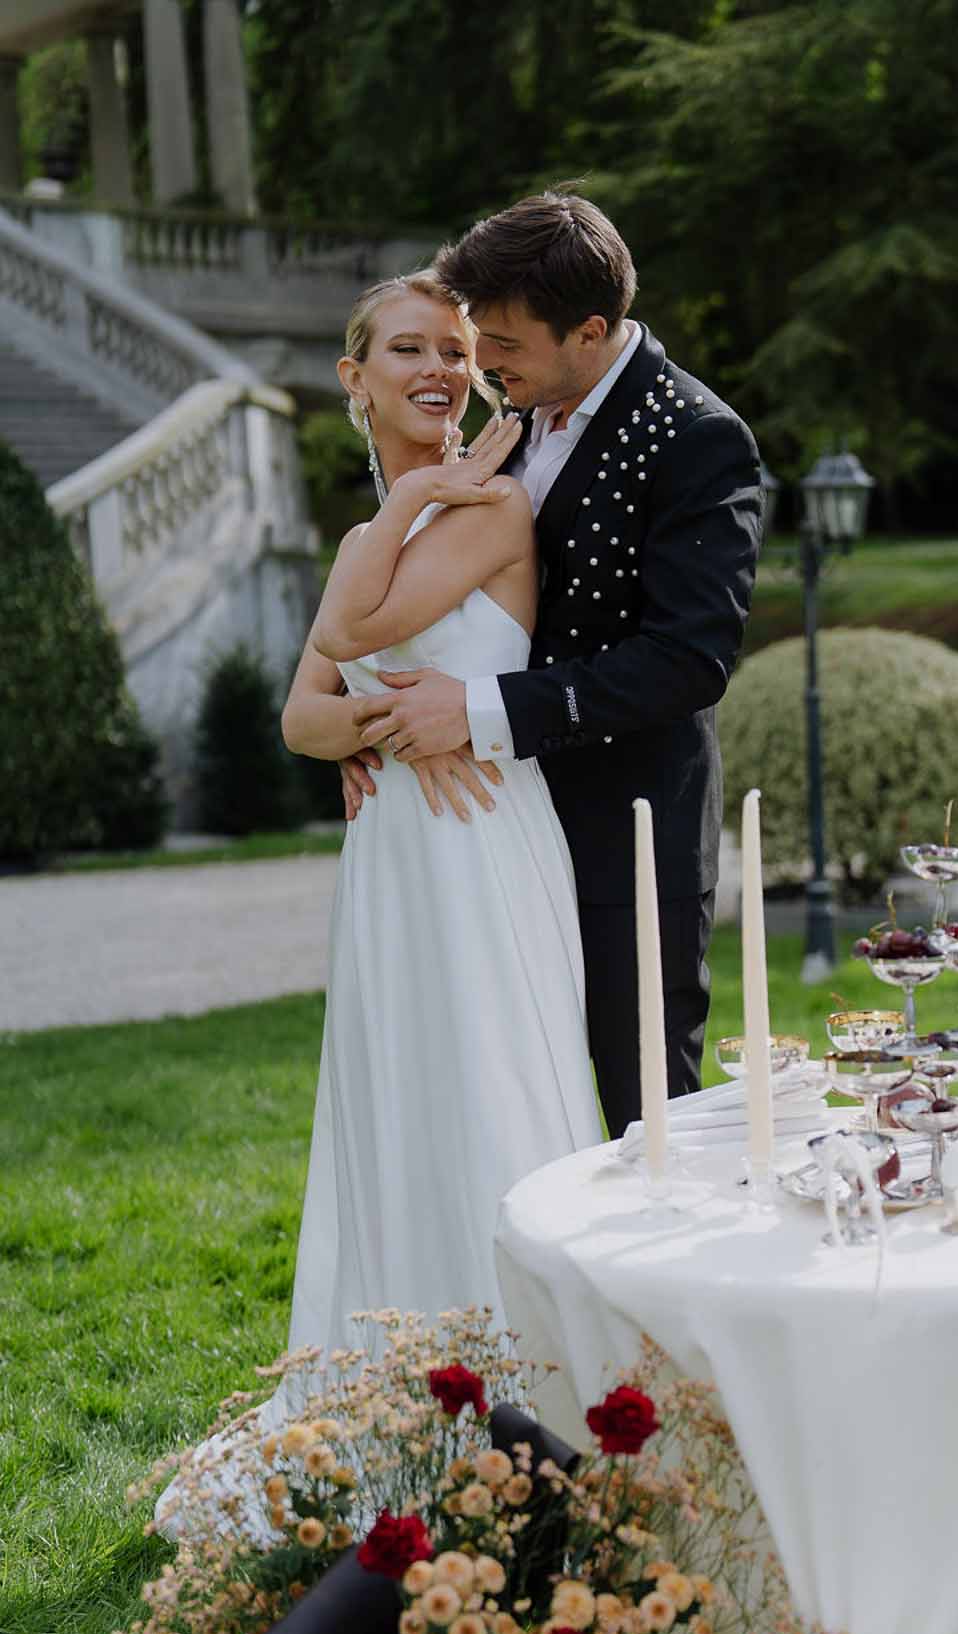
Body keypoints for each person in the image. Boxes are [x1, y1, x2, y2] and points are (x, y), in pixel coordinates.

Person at [340, 193, 765, 1139]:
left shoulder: (697, 436)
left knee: (639, 1108)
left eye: (501, 344)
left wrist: (477, 712)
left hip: (627, 831)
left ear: (591, 330)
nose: (480, 365)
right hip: (491, 835)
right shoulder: (511, 423)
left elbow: (688, 659)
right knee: (499, 1102)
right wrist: (363, 730)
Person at [261, 269, 601, 1383]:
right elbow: (300, 716)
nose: (442, 371)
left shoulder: (492, 509)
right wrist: (380, 727)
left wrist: (415, 501)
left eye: (456, 351)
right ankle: (392, 1389)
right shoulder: (382, 528)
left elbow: (351, 622)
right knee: (398, 1104)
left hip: (484, 848)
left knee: (490, 1095)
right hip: (395, 859)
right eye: (409, 350)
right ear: (354, 378)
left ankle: (526, 1392)